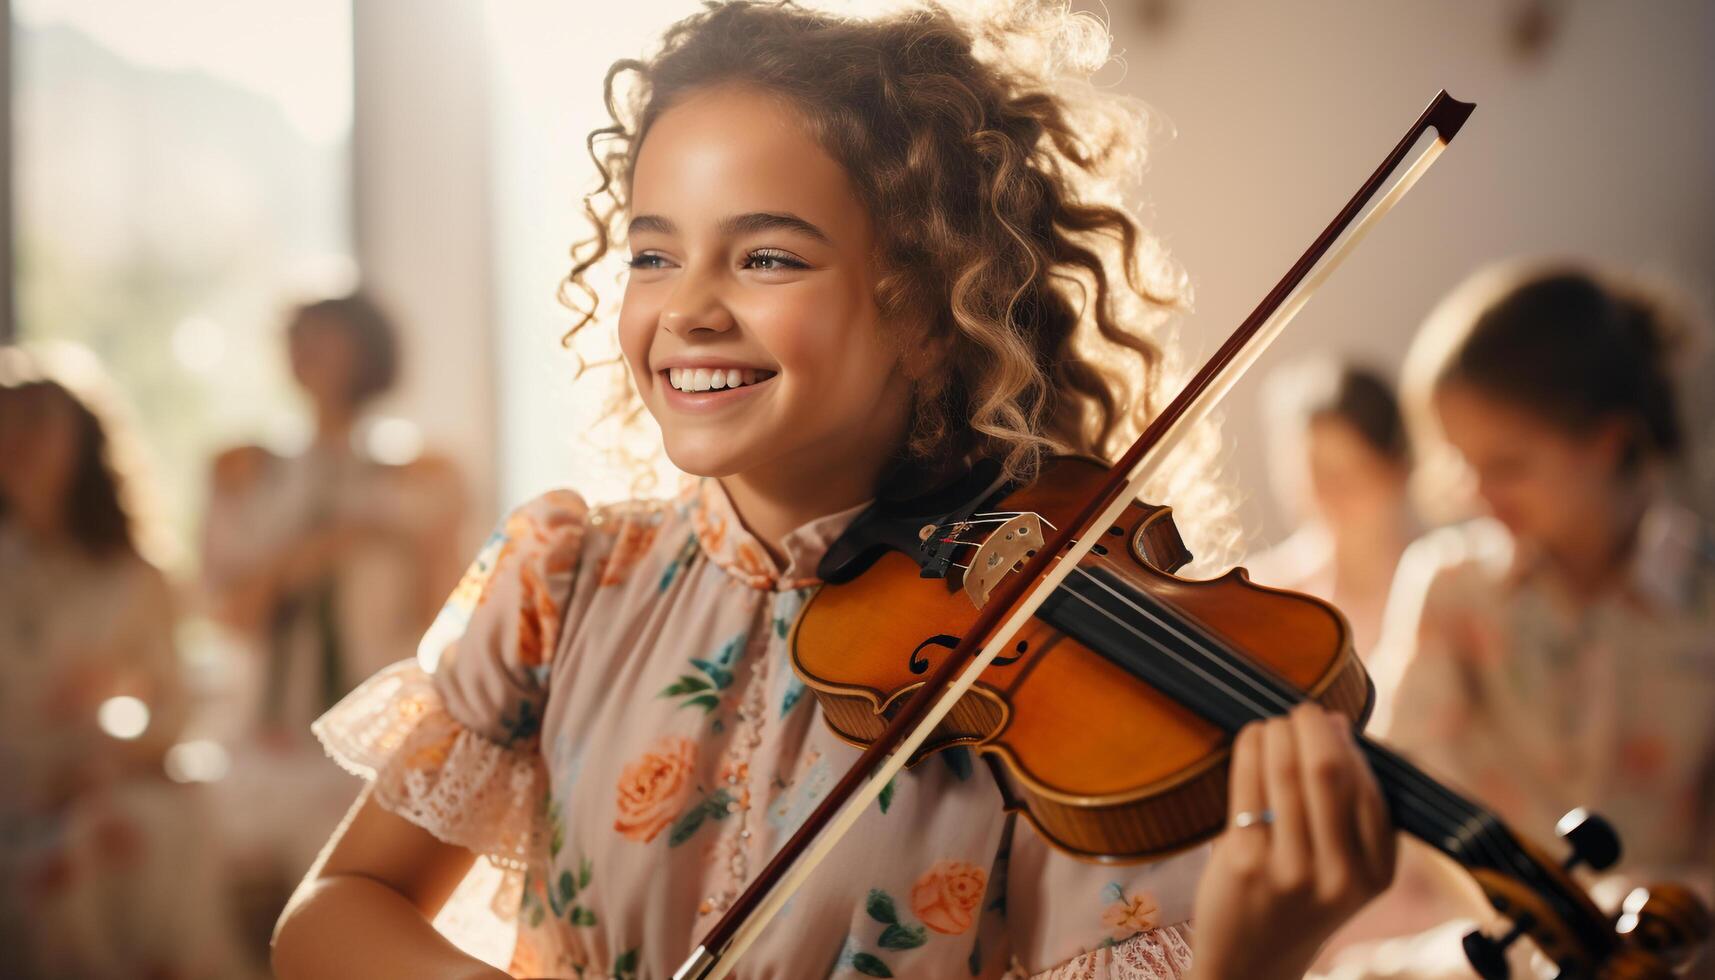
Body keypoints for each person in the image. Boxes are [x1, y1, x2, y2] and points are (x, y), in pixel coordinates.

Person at [272, 4, 1397, 978]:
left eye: (765, 258)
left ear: (925, 308)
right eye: (653, 254)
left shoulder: (1051, 666)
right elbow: (328, 917)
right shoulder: (564, 580)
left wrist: (1248, 963)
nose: (690, 308)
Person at [1337, 265, 1715, 978]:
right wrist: (1520, 918)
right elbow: (1409, 776)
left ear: (1608, 441)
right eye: (1462, 463)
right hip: (1493, 943)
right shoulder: (1450, 585)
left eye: (1507, 465)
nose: (1478, 493)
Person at [200, 293, 466, 948]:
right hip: (260, 735)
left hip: (374, 737)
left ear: (367, 352)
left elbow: (447, 619)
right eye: (298, 337)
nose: (307, 353)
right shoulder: (246, 473)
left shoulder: (423, 477)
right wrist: (318, 549)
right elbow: (228, 616)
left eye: (326, 339)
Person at [0, 343, 249, 978]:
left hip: (95, 778)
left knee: (128, 834)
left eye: (35, 424)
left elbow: (173, 709)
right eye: (5, 422)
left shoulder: (135, 575)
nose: (16, 443)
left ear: (81, 441)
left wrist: (106, 758)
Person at [1249, 359, 1416, 655]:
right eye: (1316, 471)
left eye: (1352, 471)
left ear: (1397, 470)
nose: (1331, 493)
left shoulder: (1436, 592)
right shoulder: (1261, 591)